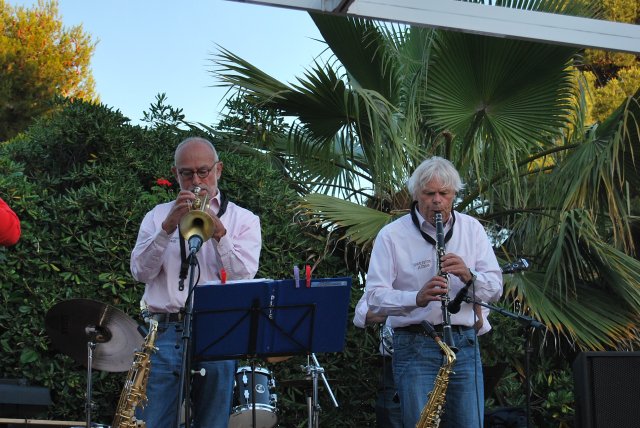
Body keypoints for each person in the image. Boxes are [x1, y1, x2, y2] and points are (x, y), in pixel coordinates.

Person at [130, 136, 262, 427]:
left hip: (218, 330)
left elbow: (244, 276)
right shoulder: (157, 216)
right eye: (187, 173)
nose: (196, 181)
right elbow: (140, 272)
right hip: (163, 330)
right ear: (175, 174)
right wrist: (167, 228)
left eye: (203, 171)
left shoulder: (244, 219)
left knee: (212, 422)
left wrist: (220, 234)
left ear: (218, 170)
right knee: (151, 421)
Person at [365, 156, 503, 427]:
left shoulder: (472, 229)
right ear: (416, 194)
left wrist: (469, 276)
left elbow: (495, 289)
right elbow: (374, 297)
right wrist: (415, 298)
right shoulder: (392, 235)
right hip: (414, 343)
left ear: (454, 195)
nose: (437, 201)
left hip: (463, 342)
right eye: (429, 194)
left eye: (444, 193)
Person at [353, 292, 402, 428]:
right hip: (393, 361)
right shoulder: (388, 281)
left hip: (439, 356)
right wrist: (405, 304)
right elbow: (361, 314)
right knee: (390, 414)